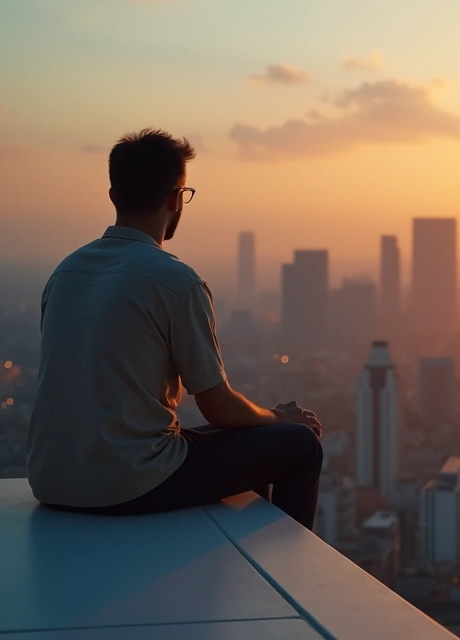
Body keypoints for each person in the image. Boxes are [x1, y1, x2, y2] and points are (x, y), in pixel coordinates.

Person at [27, 128, 323, 528]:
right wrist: (277, 418)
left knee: (235, 440)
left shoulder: (65, 272)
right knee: (300, 444)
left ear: (114, 196)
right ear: (174, 199)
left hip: (51, 481)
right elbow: (218, 408)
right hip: (129, 484)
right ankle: (289, 574)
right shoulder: (176, 281)